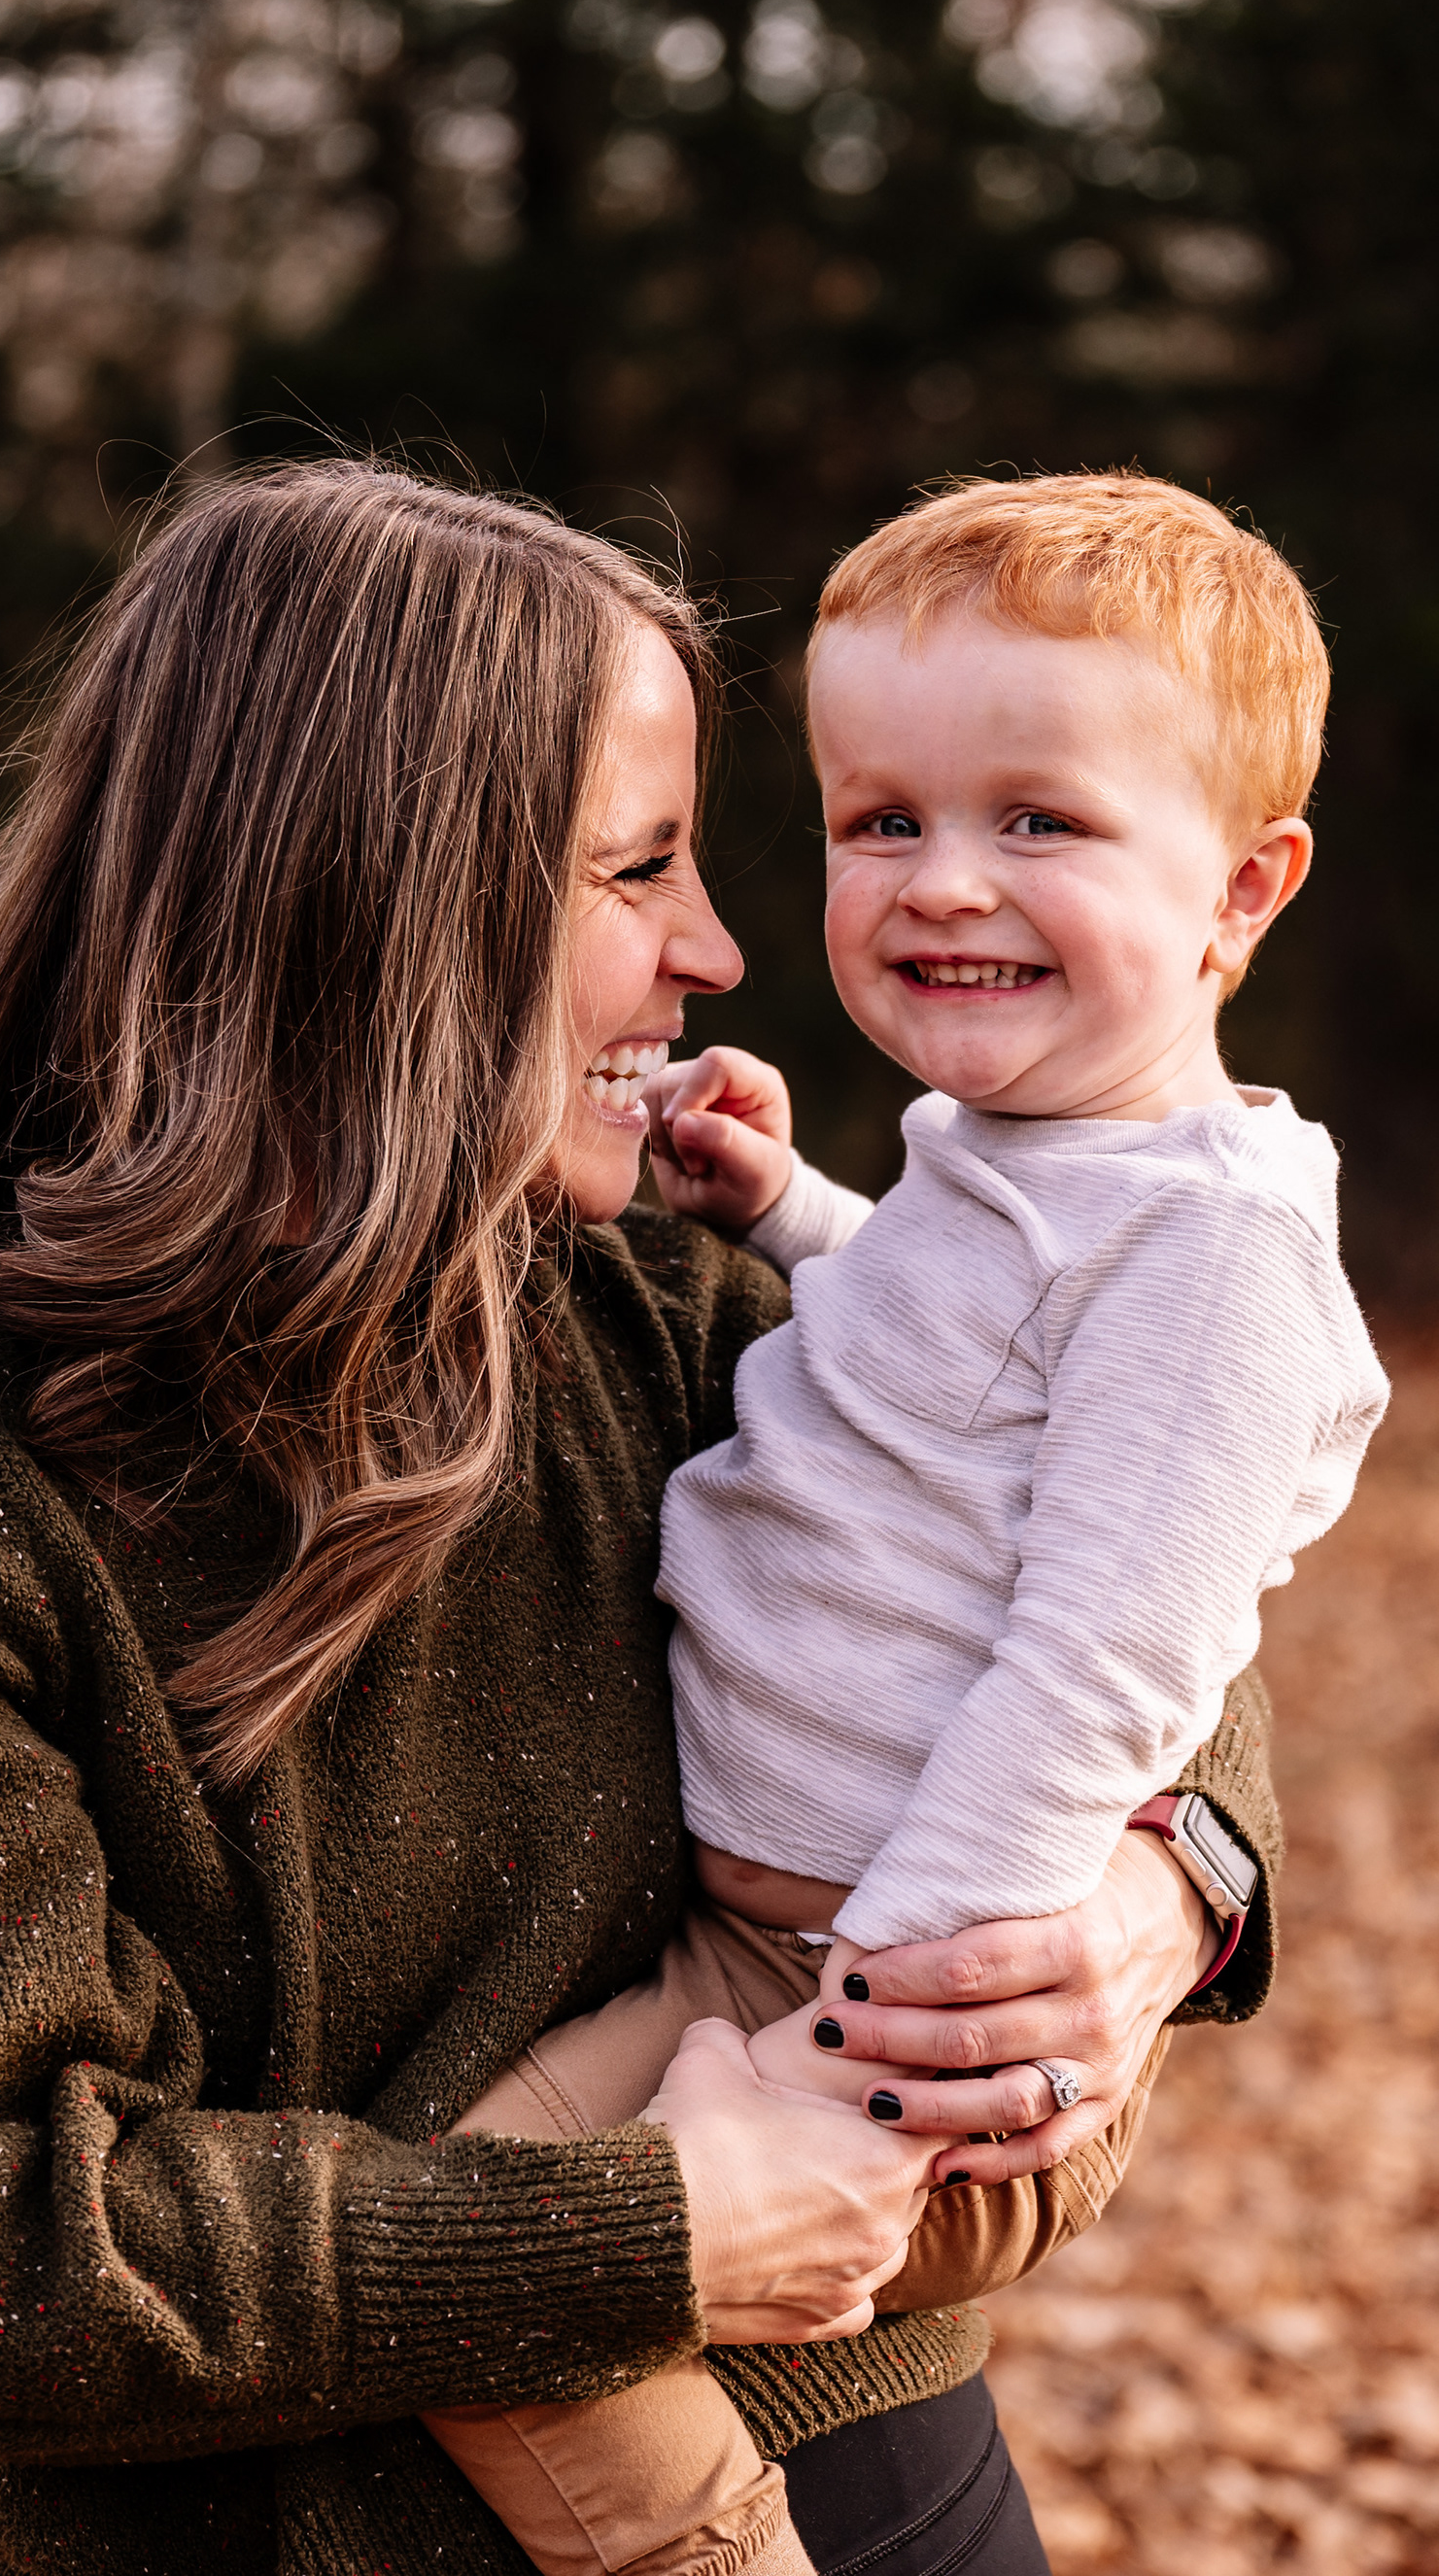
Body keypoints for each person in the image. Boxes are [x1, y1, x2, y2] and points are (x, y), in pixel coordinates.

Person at [0, 462, 1279, 2576]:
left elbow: (1132, 1566)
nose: (718, 949)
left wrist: (1168, 1890)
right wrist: (646, 2236)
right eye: (637, 868)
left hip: (902, 2486)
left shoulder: (653, 1289)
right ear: (377, 904)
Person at [420, 474, 1385, 2576]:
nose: (944, 881)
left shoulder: (1213, 1262)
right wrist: (790, 1214)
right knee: (491, 2247)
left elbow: (1109, 1657)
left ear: (1243, 888)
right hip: (770, 1952)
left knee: (507, 2286)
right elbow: (966, 1379)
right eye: (883, 820)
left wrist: (889, 1998)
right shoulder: (1031, 1165)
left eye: (1039, 820)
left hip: (883, 2000)